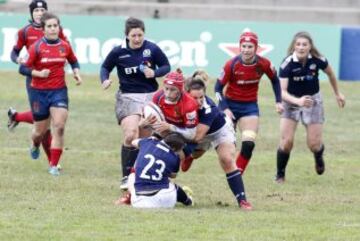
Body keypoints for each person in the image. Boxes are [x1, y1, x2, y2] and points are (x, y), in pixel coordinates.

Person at [100, 17, 170, 190]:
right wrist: (105, 79)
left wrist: (154, 72)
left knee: (146, 138)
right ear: (127, 36)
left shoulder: (152, 48)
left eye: (140, 35)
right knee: (131, 134)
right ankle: (125, 177)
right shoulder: (118, 52)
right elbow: (105, 67)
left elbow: (166, 66)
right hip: (128, 97)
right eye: (134, 36)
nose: (137, 39)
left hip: (150, 98)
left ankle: (138, 175)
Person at [275, 31, 345, 183]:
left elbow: (331, 74)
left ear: (310, 46)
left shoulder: (318, 60)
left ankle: (318, 156)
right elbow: (282, 92)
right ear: (294, 46)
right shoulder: (287, 64)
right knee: (286, 142)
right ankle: (280, 175)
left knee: (314, 144)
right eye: (298, 44)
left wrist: (337, 93)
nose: (301, 47)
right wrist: (298, 101)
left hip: (313, 101)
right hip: (291, 102)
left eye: (304, 44)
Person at [19, 12, 82, 176]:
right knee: (39, 132)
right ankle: (34, 145)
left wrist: (76, 72)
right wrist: (39, 74)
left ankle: (54, 165)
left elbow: (73, 60)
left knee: (59, 127)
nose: (53, 29)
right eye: (50, 26)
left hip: (59, 91)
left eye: (56, 26)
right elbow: (23, 68)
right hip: (38, 93)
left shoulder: (65, 45)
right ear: (43, 29)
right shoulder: (36, 47)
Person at [215, 30, 283, 174]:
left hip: (249, 107)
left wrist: (278, 101)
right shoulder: (231, 65)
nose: (246, 50)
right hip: (230, 105)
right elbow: (217, 89)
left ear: (256, 48)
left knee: (249, 144)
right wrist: (225, 108)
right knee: (227, 148)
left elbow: (275, 80)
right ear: (240, 47)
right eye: (244, 46)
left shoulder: (264, 64)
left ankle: (238, 174)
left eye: (250, 46)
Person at [183, 77, 252, 210]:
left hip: (219, 131)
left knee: (226, 159)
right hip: (198, 131)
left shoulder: (209, 109)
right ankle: (192, 156)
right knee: (193, 155)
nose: (198, 102)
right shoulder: (181, 99)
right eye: (195, 98)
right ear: (186, 93)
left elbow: (197, 137)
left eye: (201, 97)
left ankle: (242, 200)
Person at [8, 0, 68, 131]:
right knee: (42, 119)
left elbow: (65, 46)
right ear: (31, 13)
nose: (40, 13)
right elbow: (14, 52)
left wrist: (68, 60)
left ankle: (16, 116)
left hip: (54, 77)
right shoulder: (24, 32)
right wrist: (18, 59)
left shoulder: (55, 28)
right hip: (34, 77)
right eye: (36, 10)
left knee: (53, 115)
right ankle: (39, 148)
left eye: (42, 10)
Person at [115, 132, 194, 208]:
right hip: (165, 200)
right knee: (172, 185)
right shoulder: (175, 158)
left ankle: (130, 196)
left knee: (132, 175)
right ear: (173, 148)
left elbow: (133, 142)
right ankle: (188, 201)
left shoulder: (148, 142)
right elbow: (173, 175)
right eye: (179, 149)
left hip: (139, 202)